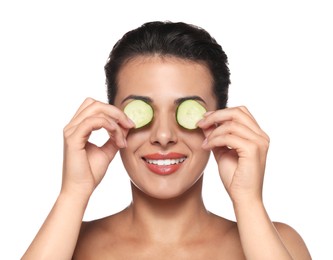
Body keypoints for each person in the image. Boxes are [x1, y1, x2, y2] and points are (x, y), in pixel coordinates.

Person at [22, 21, 311, 259]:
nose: (163, 136)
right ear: (111, 119)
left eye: (186, 110)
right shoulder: (66, 244)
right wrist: (73, 194)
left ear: (221, 121)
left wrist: (248, 202)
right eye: (142, 110)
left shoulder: (280, 243)